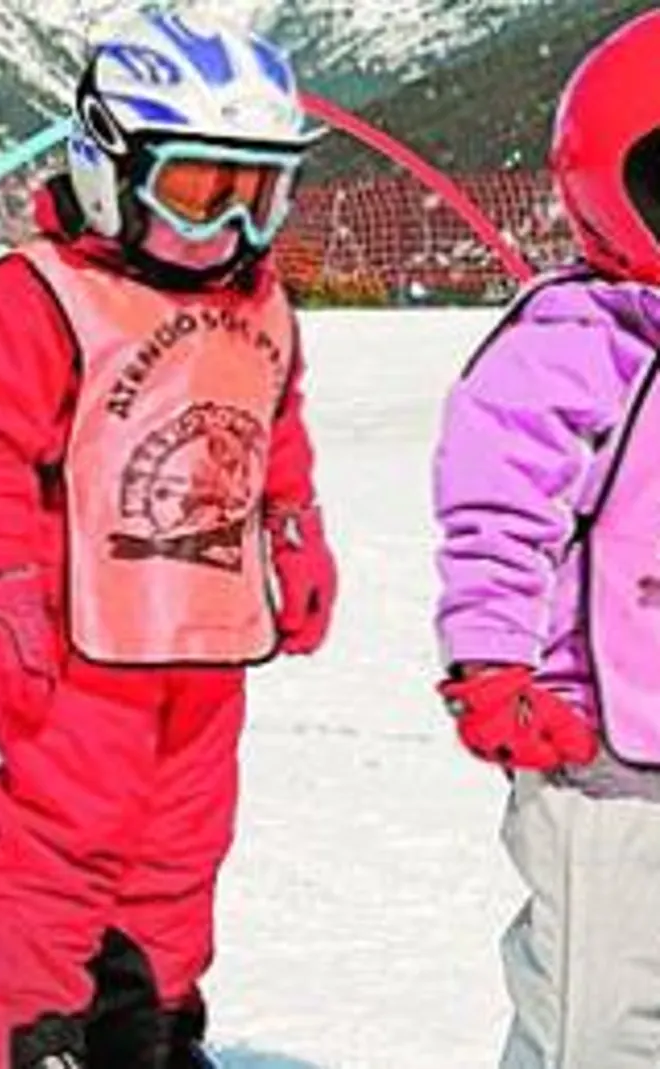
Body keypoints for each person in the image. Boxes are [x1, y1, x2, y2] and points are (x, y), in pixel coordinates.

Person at [0, 12, 335, 1068]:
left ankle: (140, 1016)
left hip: (205, 635)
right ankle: (21, 1026)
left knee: (180, 844)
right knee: (63, 841)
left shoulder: (260, 301)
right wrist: (4, 586)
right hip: (79, 641)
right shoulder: (35, 300)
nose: (230, 229)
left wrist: (293, 532)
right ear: (110, 165)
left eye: (257, 196)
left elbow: (272, 424)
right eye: (199, 192)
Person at [432, 12, 660, 1067]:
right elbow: (495, 517)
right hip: (597, 758)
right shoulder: (573, 344)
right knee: (593, 1014)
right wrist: (490, 662)